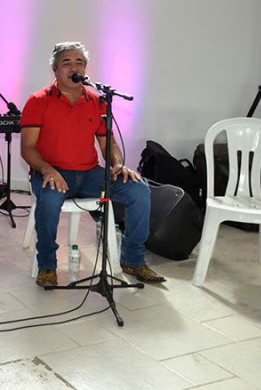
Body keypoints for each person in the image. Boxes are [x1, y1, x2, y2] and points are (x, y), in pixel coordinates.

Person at [19, 42, 166, 287]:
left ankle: (133, 260)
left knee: (139, 190)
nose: (74, 68)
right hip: (52, 173)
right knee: (50, 201)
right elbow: (28, 148)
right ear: (55, 69)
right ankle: (47, 265)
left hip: (89, 174)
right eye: (67, 63)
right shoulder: (38, 100)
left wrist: (118, 164)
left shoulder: (97, 100)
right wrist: (47, 169)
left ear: (85, 68)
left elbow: (109, 143)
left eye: (79, 63)